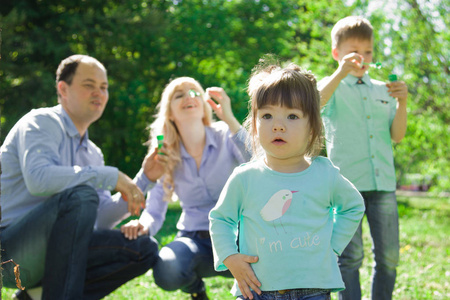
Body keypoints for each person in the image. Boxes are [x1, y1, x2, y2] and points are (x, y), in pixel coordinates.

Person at [0, 54, 165, 300]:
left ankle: (34, 297)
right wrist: (110, 176)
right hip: (10, 254)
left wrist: (144, 180)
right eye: (89, 85)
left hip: (59, 253)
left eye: (104, 87)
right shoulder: (40, 122)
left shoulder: (93, 153)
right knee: (80, 195)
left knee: (143, 248)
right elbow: (39, 179)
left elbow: (95, 219)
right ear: (62, 89)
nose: (98, 93)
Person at [208, 60, 365, 300]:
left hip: (313, 290)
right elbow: (220, 219)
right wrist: (230, 257)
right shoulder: (245, 177)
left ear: (312, 128)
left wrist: (332, 246)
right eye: (267, 115)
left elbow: (353, 206)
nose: (278, 126)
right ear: (254, 124)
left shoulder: (325, 174)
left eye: (292, 116)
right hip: (256, 290)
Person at [120, 76, 252, 300]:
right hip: (195, 240)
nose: (188, 96)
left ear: (204, 105)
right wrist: (142, 224)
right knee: (168, 269)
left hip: (240, 235)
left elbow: (258, 160)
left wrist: (230, 119)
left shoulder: (226, 134)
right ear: (169, 112)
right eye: (178, 95)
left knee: (268, 259)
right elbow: (154, 209)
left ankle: (248, 292)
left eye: (194, 92)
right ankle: (196, 290)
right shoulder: (165, 152)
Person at [318, 16, 408, 300]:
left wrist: (402, 102)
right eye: (354, 51)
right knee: (350, 258)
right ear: (337, 53)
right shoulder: (330, 87)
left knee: (390, 258)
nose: (363, 57)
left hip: (383, 187)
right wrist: (340, 73)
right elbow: (315, 102)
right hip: (346, 188)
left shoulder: (384, 89)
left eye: (368, 51)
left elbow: (397, 135)